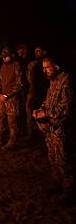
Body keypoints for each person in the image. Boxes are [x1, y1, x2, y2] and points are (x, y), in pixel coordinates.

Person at [33, 57, 74, 202]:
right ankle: (58, 183)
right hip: (51, 128)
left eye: (47, 67)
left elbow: (66, 107)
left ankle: (70, 190)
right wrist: (40, 109)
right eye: (43, 68)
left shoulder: (66, 82)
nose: (45, 71)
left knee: (64, 159)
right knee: (53, 157)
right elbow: (49, 100)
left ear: (56, 66)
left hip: (61, 128)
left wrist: (47, 114)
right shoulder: (53, 81)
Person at [0, 47, 23, 150]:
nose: (4, 59)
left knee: (12, 121)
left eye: (5, 57)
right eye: (2, 57)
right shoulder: (3, 65)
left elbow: (19, 84)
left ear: (11, 55)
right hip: (1, 97)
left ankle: (12, 141)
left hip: (11, 99)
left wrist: (7, 95)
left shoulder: (16, 66)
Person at [25, 46, 49, 140]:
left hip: (43, 93)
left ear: (44, 52)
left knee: (43, 114)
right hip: (32, 92)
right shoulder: (32, 64)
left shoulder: (47, 64)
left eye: (39, 51)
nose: (36, 53)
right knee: (30, 113)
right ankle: (31, 133)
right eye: (35, 51)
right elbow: (29, 78)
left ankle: (45, 135)